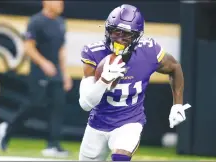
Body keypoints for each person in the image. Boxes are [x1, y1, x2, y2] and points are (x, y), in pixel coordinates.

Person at [78, 4, 191, 161]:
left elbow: (175, 67)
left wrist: (177, 104)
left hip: (129, 121)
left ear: (137, 37)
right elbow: (85, 104)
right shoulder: (94, 53)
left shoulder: (149, 51)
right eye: (115, 31)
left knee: (120, 156)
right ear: (108, 30)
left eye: (126, 34)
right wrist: (103, 80)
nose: (119, 38)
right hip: (98, 123)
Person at [0, 0, 73, 158]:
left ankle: (53, 145)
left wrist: (65, 73)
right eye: (57, 1)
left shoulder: (60, 22)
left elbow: (61, 50)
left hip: (56, 73)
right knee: (35, 104)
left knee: (58, 106)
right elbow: (29, 47)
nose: (61, 4)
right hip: (39, 73)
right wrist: (44, 63)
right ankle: (7, 130)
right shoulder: (36, 21)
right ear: (46, 2)